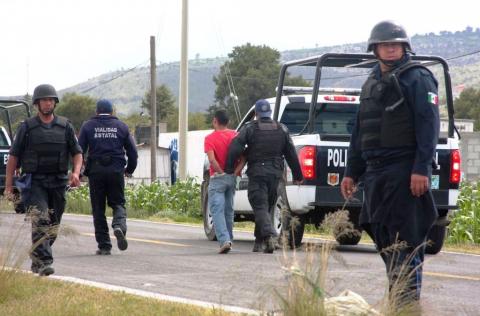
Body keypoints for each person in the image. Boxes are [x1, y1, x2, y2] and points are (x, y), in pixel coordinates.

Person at [340, 21, 440, 303]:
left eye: (396, 44)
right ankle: (399, 299)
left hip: (404, 171)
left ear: (404, 47)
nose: (392, 48)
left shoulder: (418, 78)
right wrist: (351, 172)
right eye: (386, 44)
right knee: (386, 241)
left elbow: (428, 125)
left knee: (406, 244)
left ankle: (405, 305)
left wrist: (421, 168)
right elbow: (361, 131)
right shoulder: (371, 81)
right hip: (375, 175)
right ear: (375, 49)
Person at [5, 84, 83, 276]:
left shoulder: (65, 126)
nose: (48, 103)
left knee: (53, 227)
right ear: (37, 104)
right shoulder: (27, 127)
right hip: (35, 182)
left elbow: (77, 153)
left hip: (58, 181)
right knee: (40, 219)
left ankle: (36, 256)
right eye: (44, 100)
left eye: (51, 100)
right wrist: (9, 185)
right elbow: (14, 157)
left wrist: (76, 172)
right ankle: (44, 262)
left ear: (55, 103)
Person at [225, 99, 303, 253]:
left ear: (256, 114)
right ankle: (261, 241)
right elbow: (291, 153)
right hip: (275, 174)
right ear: (269, 113)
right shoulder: (282, 128)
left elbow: (235, 146)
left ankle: (271, 234)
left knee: (259, 206)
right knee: (266, 206)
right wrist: (297, 174)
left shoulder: (250, 128)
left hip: (258, 173)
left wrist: (229, 167)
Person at [78, 99, 138, 255]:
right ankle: (119, 225)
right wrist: (129, 169)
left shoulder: (88, 126)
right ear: (112, 111)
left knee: (98, 208)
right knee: (118, 203)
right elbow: (133, 152)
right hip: (116, 171)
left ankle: (104, 245)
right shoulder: (122, 126)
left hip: (96, 171)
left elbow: (79, 150)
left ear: (96, 111)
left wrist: (79, 172)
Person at [204, 110, 237, 254]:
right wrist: (235, 172)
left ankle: (224, 240)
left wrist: (219, 171)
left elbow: (211, 159)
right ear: (228, 122)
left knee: (217, 210)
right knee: (228, 210)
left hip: (218, 178)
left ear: (215, 121)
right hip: (232, 177)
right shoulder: (235, 135)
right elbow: (243, 156)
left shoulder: (209, 138)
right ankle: (229, 238)